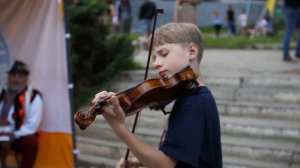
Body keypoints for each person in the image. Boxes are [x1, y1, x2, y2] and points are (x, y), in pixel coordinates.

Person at [93, 23, 222, 168]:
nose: (156, 63)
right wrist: (140, 161)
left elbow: (167, 165)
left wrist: (120, 128)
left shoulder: (194, 103)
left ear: (191, 51)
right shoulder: (196, 97)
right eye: (154, 57)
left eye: (164, 53)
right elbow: (181, 157)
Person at [0, 60, 43, 168]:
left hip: (18, 136)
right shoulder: (1, 91)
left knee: (31, 142)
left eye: (20, 76)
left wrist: (11, 136)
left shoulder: (33, 96)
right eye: (13, 76)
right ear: (9, 77)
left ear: (26, 78)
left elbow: (32, 125)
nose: (16, 79)